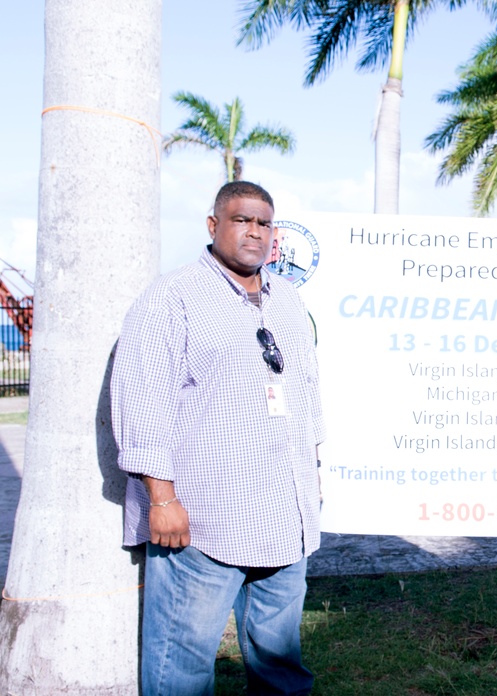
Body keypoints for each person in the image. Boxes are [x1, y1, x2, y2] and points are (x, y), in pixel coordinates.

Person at [111, 181, 325, 695]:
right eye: (241, 220)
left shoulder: (288, 300)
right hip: (205, 521)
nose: (255, 232)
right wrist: (161, 499)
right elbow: (141, 401)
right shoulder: (172, 297)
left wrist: (312, 481)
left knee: (281, 667)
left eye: (264, 223)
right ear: (213, 226)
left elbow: (307, 394)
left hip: (284, 517)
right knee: (180, 666)